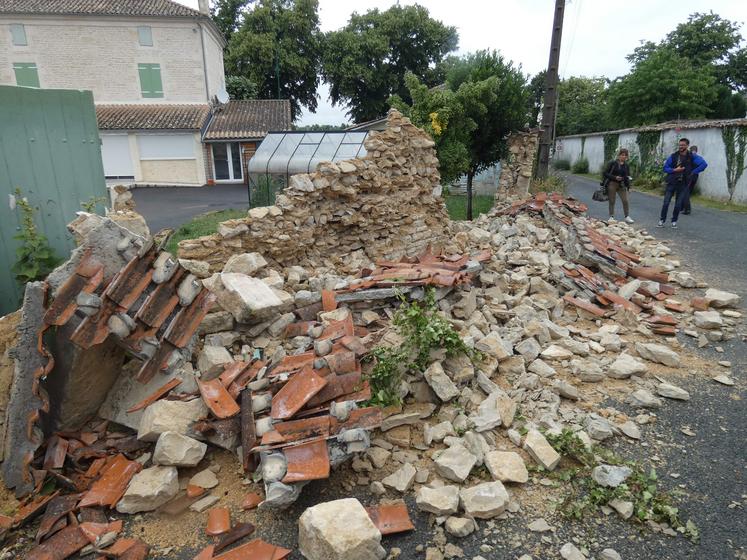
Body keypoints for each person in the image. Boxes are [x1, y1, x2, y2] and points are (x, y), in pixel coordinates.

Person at [658, 137, 707, 228]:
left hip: (683, 183)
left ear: (687, 146)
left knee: (678, 204)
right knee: (666, 202)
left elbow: (704, 164)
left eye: (683, 145)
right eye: (680, 145)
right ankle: (661, 220)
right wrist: (674, 170)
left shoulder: (692, 157)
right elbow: (665, 168)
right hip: (672, 182)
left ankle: (674, 221)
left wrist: (693, 172)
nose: (681, 147)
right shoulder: (673, 156)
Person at [602, 148, 634, 223]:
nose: (624, 157)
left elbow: (627, 177)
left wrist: (629, 187)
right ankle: (611, 216)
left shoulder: (626, 166)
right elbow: (605, 173)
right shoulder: (613, 163)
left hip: (621, 185)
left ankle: (627, 216)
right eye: (622, 155)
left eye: (625, 155)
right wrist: (615, 177)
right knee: (612, 201)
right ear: (619, 155)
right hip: (612, 183)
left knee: (625, 200)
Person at [681, 145, 706, 215]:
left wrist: (693, 171)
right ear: (696, 150)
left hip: (689, 176)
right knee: (687, 192)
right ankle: (682, 207)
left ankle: (687, 209)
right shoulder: (698, 157)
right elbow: (703, 165)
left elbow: (704, 164)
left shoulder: (691, 156)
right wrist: (696, 171)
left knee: (685, 192)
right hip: (694, 177)